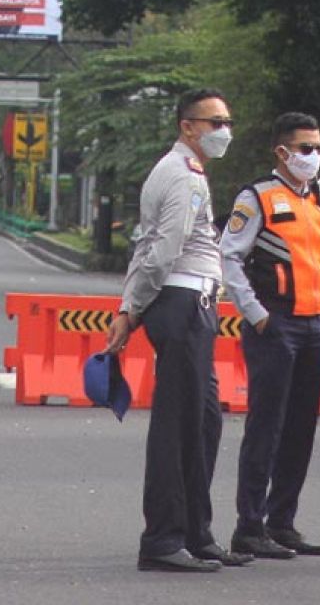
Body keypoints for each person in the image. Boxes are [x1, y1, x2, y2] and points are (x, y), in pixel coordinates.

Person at [104, 88, 250, 573]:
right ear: (188, 126)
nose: (223, 131)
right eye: (214, 122)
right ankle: (163, 538)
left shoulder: (181, 172)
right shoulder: (184, 177)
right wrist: (133, 307)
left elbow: (145, 245)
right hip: (183, 302)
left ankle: (194, 531)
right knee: (179, 425)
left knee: (204, 420)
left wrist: (130, 306)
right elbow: (164, 249)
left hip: (191, 302)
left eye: (226, 121)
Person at [220, 112, 320, 560]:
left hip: (314, 323)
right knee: (266, 426)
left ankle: (281, 522)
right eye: (306, 148)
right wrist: (256, 314)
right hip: (276, 323)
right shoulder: (257, 197)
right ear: (282, 152)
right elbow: (230, 257)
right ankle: (249, 527)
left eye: (319, 148)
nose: (314, 157)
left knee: (300, 427)